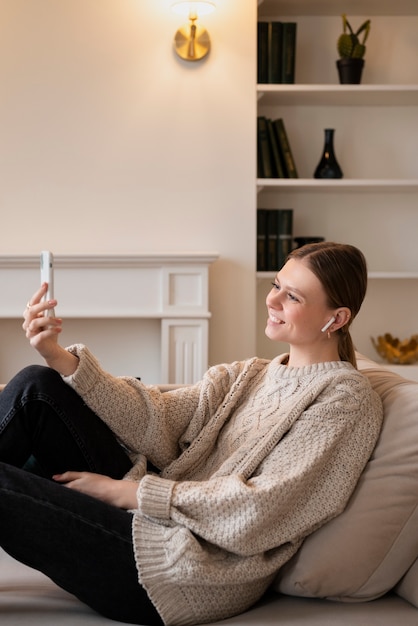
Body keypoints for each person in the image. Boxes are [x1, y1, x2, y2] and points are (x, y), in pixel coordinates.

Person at [0, 242, 383, 626]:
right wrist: (55, 353)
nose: (273, 300)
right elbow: (158, 417)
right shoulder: (249, 374)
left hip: (179, 569)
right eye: (276, 285)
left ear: (336, 318)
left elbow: (265, 508)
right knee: (38, 384)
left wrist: (127, 492)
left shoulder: (344, 399)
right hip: (145, 515)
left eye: (293, 296)